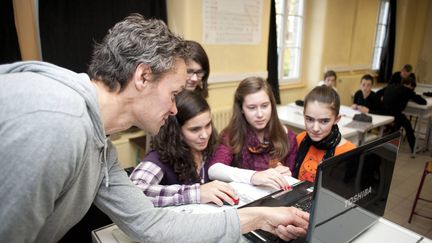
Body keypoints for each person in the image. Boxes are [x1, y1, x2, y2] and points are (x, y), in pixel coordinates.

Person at [0, 14, 309, 242]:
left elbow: (151, 225)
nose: (175, 109)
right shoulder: (59, 123)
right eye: (173, 94)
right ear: (143, 76)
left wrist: (258, 216)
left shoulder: (99, 144)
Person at [130, 90, 238, 207]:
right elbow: (133, 192)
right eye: (195, 129)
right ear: (176, 131)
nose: (205, 135)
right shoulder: (159, 158)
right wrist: (196, 193)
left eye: (208, 125)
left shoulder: (213, 148)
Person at [208, 76, 298, 190]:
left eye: (265, 106)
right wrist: (254, 176)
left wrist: (284, 175)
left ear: (272, 105)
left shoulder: (287, 136)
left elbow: (293, 179)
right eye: (252, 108)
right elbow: (214, 170)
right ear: (241, 109)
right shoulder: (231, 135)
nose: (260, 114)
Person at [293, 85, 356, 183]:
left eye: (324, 121)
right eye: (309, 119)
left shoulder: (349, 152)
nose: (315, 128)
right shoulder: (299, 139)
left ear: (336, 119)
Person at [381, 78, 426, 153]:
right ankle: (414, 147)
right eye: (413, 88)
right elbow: (423, 101)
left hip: (383, 112)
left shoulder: (391, 86)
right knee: (407, 125)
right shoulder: (407, 90)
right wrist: (411, 96)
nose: (412, 90)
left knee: (400, 121)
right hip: (394, 114)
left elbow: (379, 93)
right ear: (410, 85)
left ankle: (389, 139)